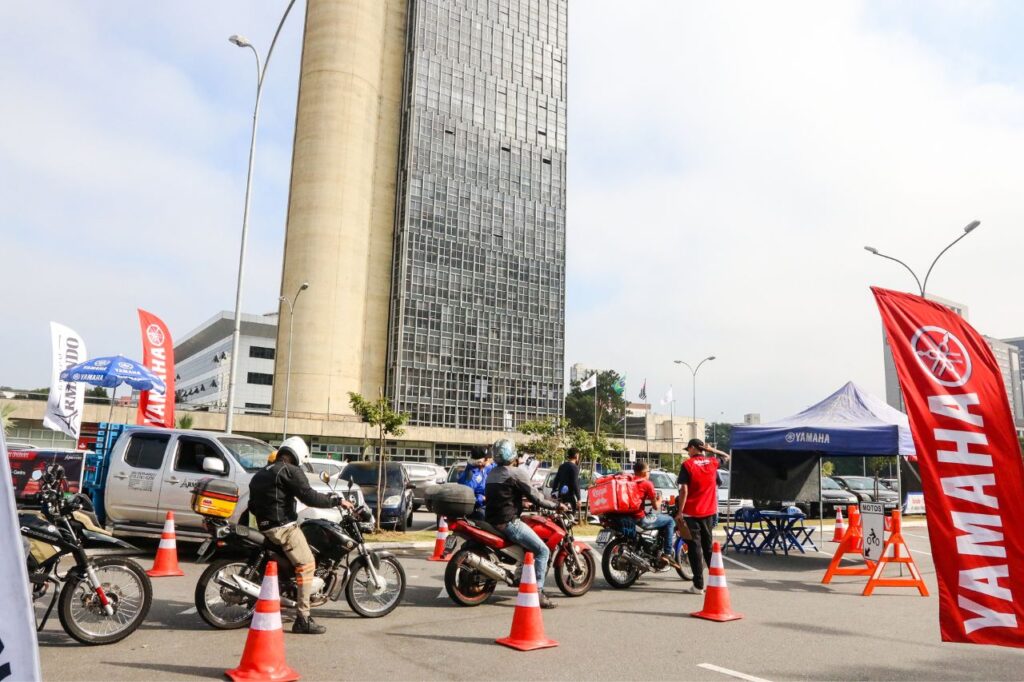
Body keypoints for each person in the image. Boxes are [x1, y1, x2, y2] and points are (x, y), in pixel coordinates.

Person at [249, 436, 352, 634]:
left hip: (264, 525)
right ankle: (303, 618)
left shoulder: (264, 472)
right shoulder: (290, 470)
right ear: (298, 456)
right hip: (282, 528)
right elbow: (309, 496)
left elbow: (253, 505)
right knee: (307, 565)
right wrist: (337, 502)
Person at [484, 438, 565, 609]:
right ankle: (539, 592)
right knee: (542, 551)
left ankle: (521, 574)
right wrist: (557, 505)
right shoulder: (516, 473)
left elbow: (503, 495)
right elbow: (537, 497)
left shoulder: (492, 473)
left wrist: (522, 503)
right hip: (508, 523)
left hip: (491, 520)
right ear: (512, 454)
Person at [676, 438, 730, 595]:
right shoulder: (712, 462)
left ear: (693, 448)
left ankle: (698, 585)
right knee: (708, 548)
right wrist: (712, 450)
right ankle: (715, 582)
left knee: (694, 548)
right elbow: (727, 456)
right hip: (708, 512)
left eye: (689, 449)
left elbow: (684, 490)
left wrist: (680, 511)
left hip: (691, 512)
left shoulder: (687, 465)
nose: (688, 452)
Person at [632, 460, 677, 567]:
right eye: (649, 471)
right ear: (643, 473)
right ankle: (667, 553)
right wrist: (660, 499)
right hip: (640, 519)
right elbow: (656, 506)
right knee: (670, 520)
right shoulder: (647, 484)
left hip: (629, 517)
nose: (649, 473)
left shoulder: (630, 482)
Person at [457, 446, 493, 520]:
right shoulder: (471, 476)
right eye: (488, 459)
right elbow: (465, 498)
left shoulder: (482, 469)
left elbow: (494, 466)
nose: (490, 460)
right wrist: (482, 498)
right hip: (476, 512)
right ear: (482, 461)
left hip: (485, 506)